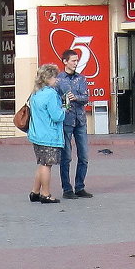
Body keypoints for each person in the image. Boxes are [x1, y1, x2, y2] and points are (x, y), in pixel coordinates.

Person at [54, 49, 92, 200]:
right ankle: (67, 188)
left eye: (77, 60)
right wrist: (64, 100)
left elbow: (85, 97)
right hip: (66, 121)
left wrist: (75, 97)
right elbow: (55, 100)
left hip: (80, 120)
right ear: (65, 61)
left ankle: (80, 186)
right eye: (73, 61)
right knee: (66, 156)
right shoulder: (58, 80)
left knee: (83, 155)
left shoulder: (81, 79)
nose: (76, 63)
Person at [26, 64, 66, 204]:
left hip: (36, 134)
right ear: (48, 78)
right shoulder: (51, 94)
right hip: (49, 135)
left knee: (41, 163)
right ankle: (46, 194)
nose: (57, 80)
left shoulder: (36, 92)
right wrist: (65, 109)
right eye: (55, 77)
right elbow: (56, 116)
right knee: (46, 165)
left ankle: (35, 192)